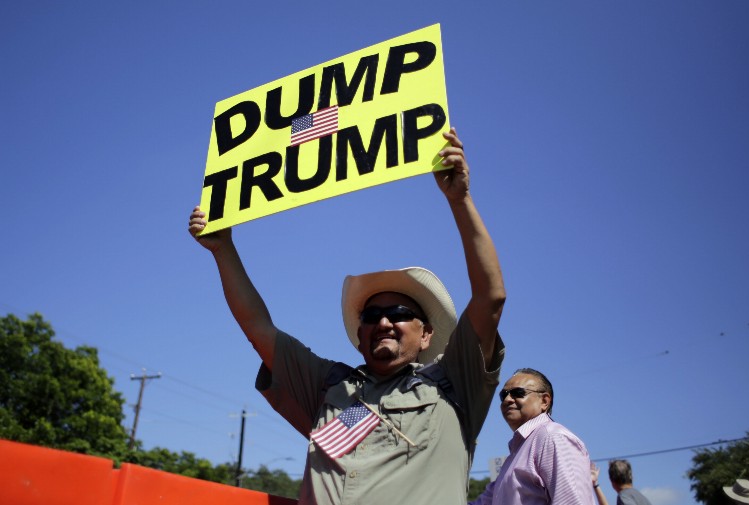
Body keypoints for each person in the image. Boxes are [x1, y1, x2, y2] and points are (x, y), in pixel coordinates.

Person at [188, 128, 506, 505]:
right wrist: (222, 250)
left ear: (427, 335)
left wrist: (460, 200)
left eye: (400, 313)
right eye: (372, 314)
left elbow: (491, 297)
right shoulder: (328, 386)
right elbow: (258, 328)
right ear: (360, 331)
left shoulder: (455, 385)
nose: (384, 322)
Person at [469, 368, 594, 504]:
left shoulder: (553, 438)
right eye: (503, 395)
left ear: (544, 401)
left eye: (518, 393)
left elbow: (572, 501)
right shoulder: (516, 453)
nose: (507, 400)